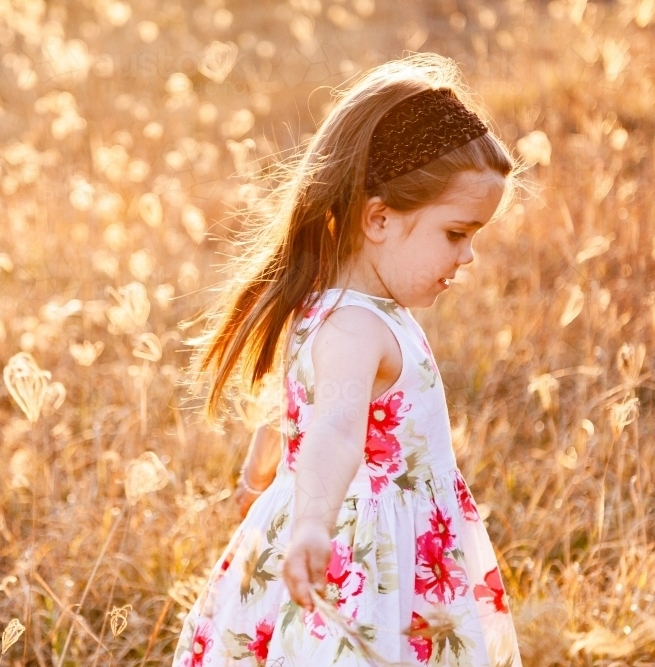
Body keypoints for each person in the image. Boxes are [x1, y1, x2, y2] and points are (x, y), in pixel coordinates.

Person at [174, 53, 524, 666]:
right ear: (380, 218)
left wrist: (265, 456)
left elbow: (313, 411)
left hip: (362, 528)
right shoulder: (358, 327)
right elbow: (335, 429)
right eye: (456, 233)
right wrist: (311, 525)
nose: (468, 257)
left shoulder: (341, 306)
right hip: (365, 558)